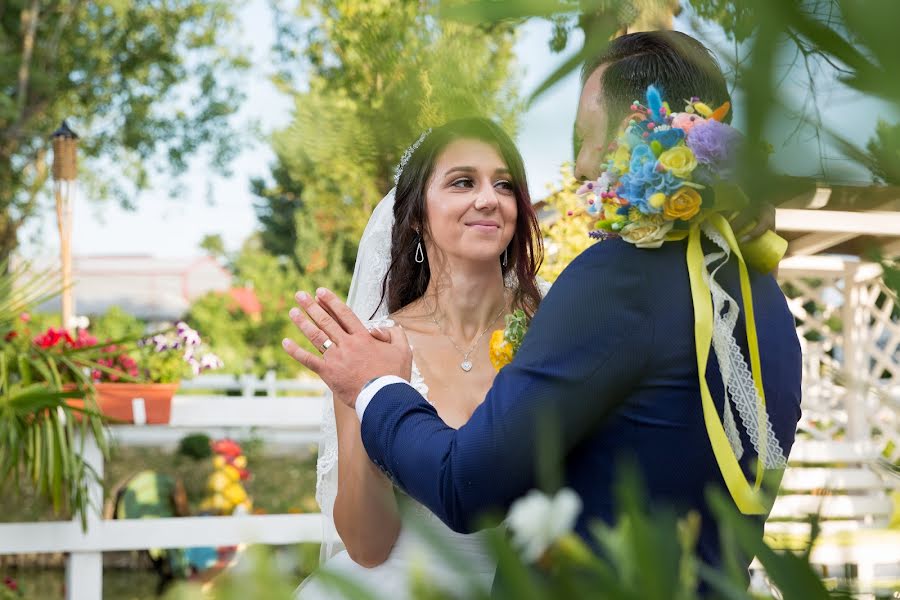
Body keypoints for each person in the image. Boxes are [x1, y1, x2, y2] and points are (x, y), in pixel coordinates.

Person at [283, 29, 802, 588]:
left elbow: (464, 483)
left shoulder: (600, 290)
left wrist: (376, 391)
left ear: (632, 129)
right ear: (414, 215)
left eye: (584, 136)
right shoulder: (760, 293)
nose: (579, 165)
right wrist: (357, 389)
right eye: (461, 182)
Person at [294, 117, 545, 598]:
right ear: (414, 214)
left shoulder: (558, 322)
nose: (488, 198)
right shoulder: (371, 345)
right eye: (463, 182)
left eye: (504, 184)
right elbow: (368, 547)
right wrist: (369, 393)